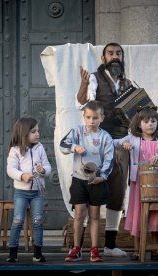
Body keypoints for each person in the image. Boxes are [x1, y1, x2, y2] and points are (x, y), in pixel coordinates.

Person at [76, 42, 134, 257]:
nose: (114, 56)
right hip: (96, 143)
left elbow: (139, 114)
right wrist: (82, 85)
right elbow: (83, 103)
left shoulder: (129, 83)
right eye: (110, 53)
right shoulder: (93, 78)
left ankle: (110, 246)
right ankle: (79, 246)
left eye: (118, 53)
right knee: (88, 190)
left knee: (117, 192)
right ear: (103, 58)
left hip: (121, 143)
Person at [114, 106, 158, 261]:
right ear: (139, 124)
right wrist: (123, 145)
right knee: (137, 214)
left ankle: (155, 249)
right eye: (146, 121)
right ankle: (137, 250)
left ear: (157, 122)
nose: (150, 124)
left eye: (153, 121)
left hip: (156, 184)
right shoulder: (133, 138)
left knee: (156, 215)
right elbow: (115, 143)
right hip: (138, 183)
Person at [60, 100, 114, 262]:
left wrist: (102, 176)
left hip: (97, 180)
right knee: (78, 214)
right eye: (88, 117)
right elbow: (63, 145)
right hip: (79, 179)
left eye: (95, 118)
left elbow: (109, 160)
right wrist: (74, 147)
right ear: (83, 117)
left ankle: (94, 249)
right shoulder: (77, 132)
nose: (92, 121)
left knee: (95, 215)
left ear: (102, 118)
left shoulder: (105, 137)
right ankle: (76, 248)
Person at [6, 117, 52, 263]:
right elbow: (10, 169)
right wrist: (22, 175)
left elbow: (48, 166)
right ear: (24, 133)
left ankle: (37, 253)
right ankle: (12, 252)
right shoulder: (15, 150)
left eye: (38, 131)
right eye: (33, 131)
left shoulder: (40, 147)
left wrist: (43, 170)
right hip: (21, 192)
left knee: (38, 221)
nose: (37, 134)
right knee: (17, 220)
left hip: (37, 192)